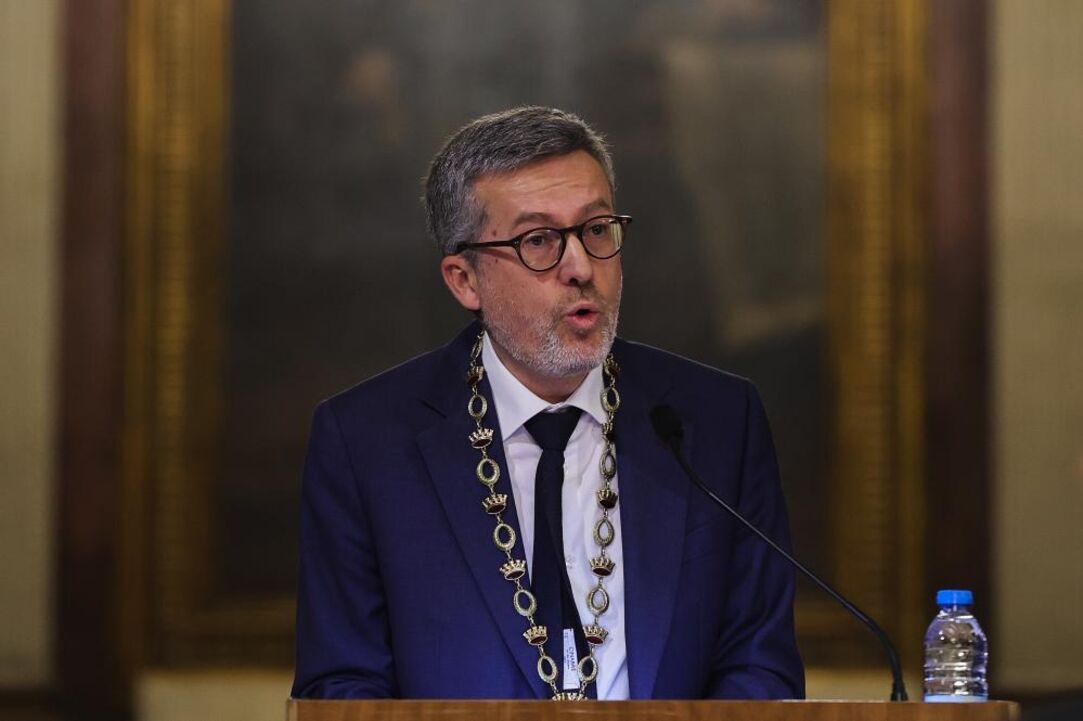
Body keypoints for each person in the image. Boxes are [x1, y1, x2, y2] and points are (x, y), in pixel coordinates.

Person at [291, 106, 804, 700]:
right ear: (464, 280)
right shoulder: (365, 442)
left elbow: (759, 667)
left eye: (596, 229)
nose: (581, 267)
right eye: (539, 241)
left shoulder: (718, 421)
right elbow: (341, 686)